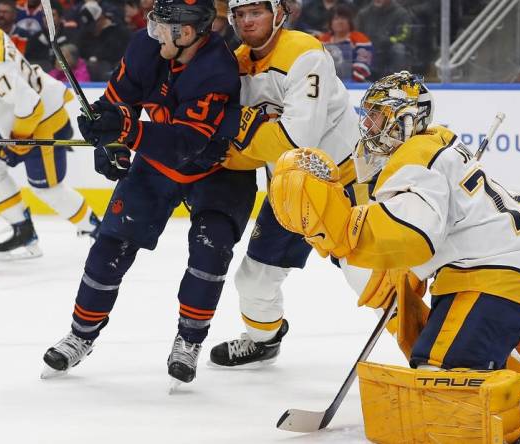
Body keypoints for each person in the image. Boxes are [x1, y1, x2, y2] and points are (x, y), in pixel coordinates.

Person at [268, 70, 520, 444]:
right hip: (507, 269)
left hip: (504, 275)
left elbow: (414, 235)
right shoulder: (432, 149)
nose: (368, 124)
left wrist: (343, 231)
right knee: (433, 348)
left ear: (405, 119)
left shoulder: (414, 158)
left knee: (438, 370)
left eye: (378, 114)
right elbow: (435, 230)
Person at [41, 0, 257, 389]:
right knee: (110, 246)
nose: (153, 32)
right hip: (158, 161)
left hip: (217, 168)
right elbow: (117, 100)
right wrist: (109, 142)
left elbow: (186, 143)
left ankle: (189, 340)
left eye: (163, 27)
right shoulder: (145, 47)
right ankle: (81, 334)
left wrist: (126, 132)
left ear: (187, 33)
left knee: (211, 250)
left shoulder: (216, 69)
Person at [207, 0, 361, 368]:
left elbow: (298, 138)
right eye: (240, 14)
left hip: (343, 186)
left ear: (278, 13)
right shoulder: (237, 63)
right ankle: (264, 340)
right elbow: (238, 137)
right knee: (254, 280)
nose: (247, 21)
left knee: (372, 280)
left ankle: (433, 353)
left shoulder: (304, 53)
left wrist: (234, 144)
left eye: (255, 12)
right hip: (290, 190)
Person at [0, 0, 101, 261]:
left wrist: (19, 141)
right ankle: (23, 231)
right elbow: (4, 83)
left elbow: (30, 104)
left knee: (48, 190)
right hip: (24, 123)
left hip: (43, 126)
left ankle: (98, 232)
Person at [356, 0, 413, 79]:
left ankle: (399, 81)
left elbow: (405, 35)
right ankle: (359, 82)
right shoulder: (363, 14)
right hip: (370, 49)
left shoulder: (401, 13)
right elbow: (357, 34)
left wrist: (388, 40)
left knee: (399, 49)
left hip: (390, 49)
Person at [318, 4, 372, 82]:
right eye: (336, 19)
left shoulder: (360, 39)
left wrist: (345, 80)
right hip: (326, 81)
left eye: (343, 18)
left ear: (349, 21)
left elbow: (363, 66)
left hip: (353, 83)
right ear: (330, 23)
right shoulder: (323, 39)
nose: (340, 22)